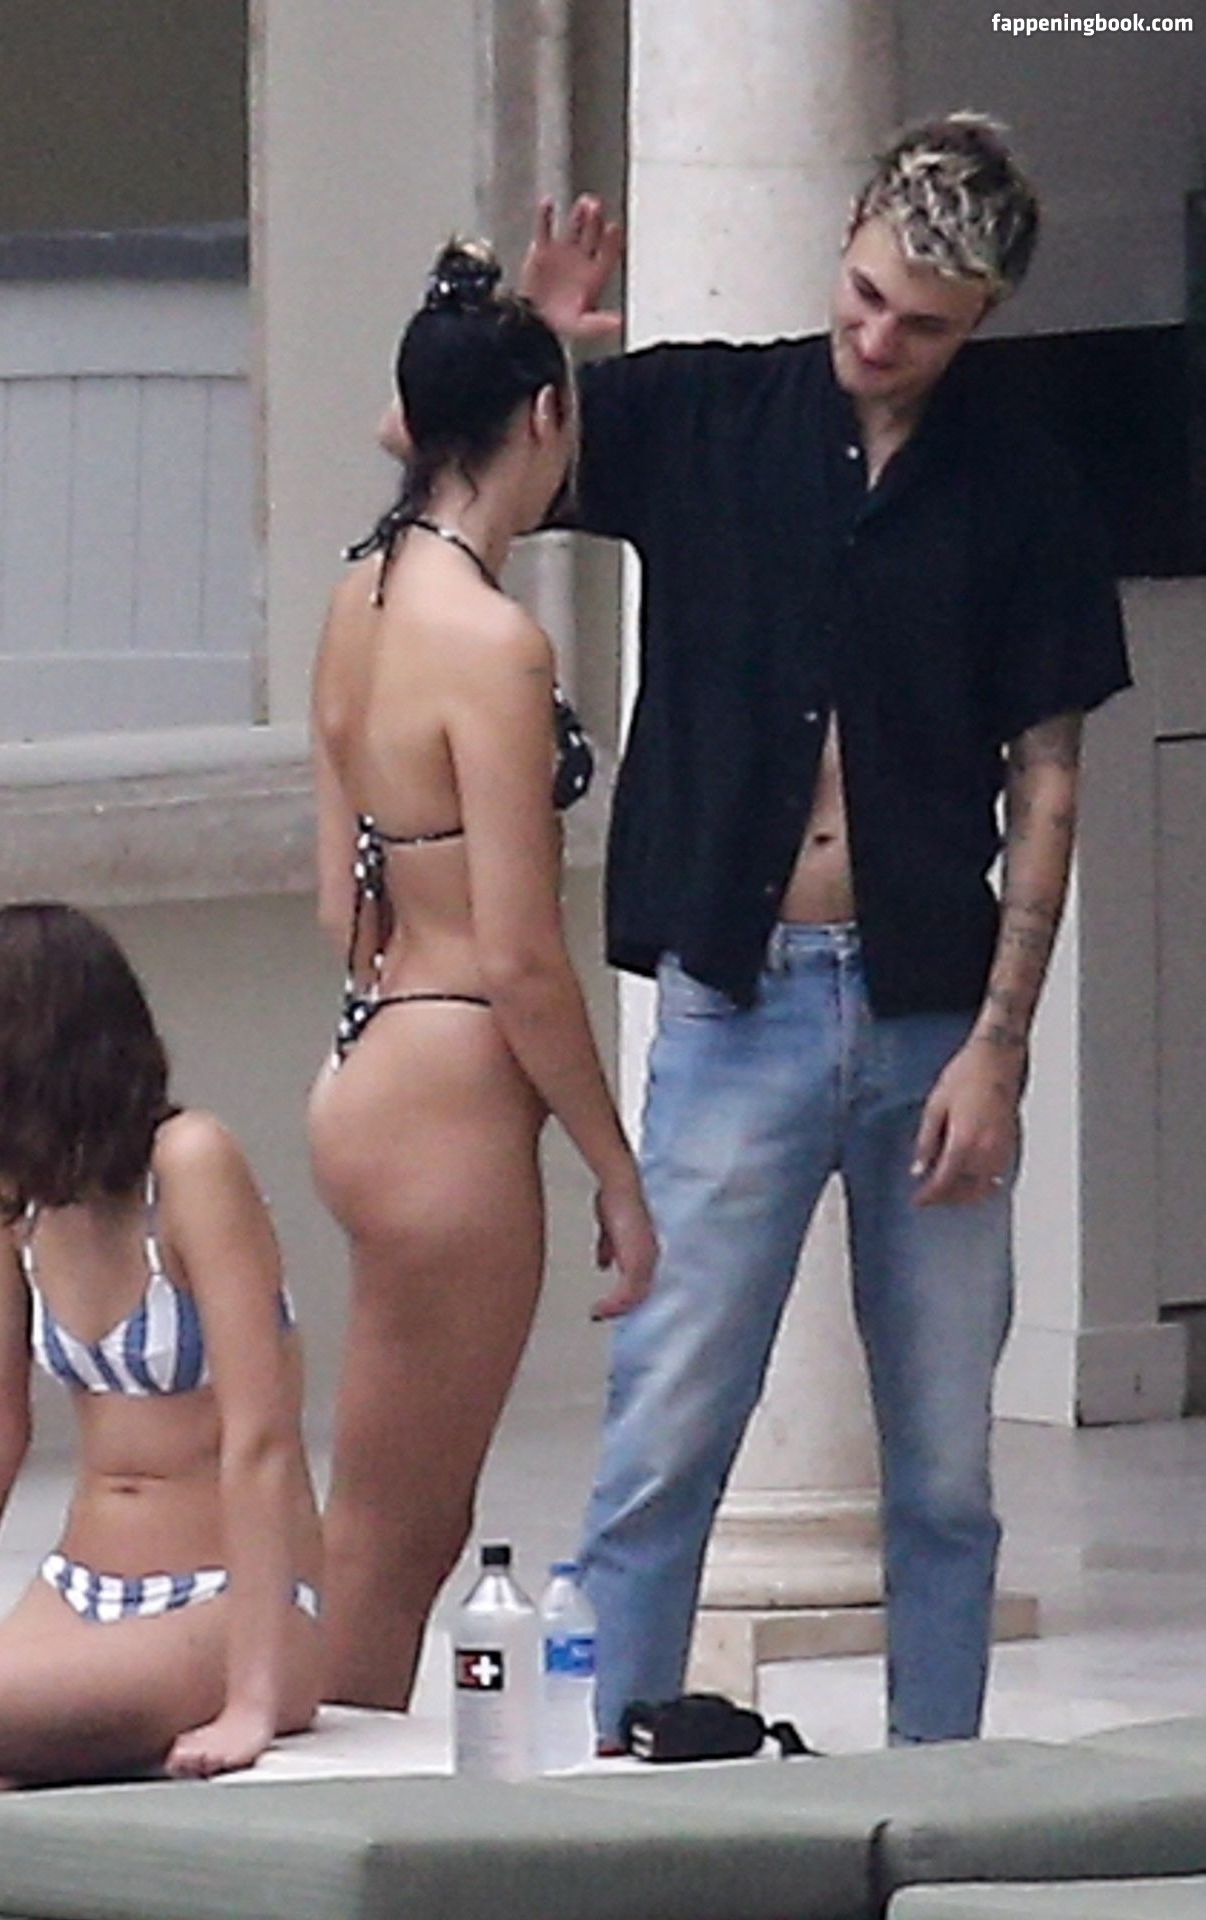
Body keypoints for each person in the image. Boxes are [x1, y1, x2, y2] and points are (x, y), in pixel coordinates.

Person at [516, 115, 1132, 1746]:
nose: (875, 338)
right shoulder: (713, 412)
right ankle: (624, 1775)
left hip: (930, 1002)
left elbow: (1050, 774)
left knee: (942, 1464)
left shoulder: (1018, 478)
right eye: (863, 296)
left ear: (979, 319)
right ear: (845, 237)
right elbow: (437, 456)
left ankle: (937, 1793)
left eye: (920, 323)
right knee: (666, 1429)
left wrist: (1000, 1047)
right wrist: (529, 350)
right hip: (740, 997)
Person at [308, 240, 657, 1710]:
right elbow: (522, 956)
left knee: (402, 1515)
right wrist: (616, 1170)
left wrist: (519, 327)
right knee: (392, 1535)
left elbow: (339, 894)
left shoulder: (363, 595)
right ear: (545, 418)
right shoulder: (499, 647)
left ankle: (323, 1765)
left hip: (372, 1053)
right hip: (455, 1089)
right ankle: (311, 1792)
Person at [0, 902, 323, 1849]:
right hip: (79, 1594)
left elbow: (263, 1435)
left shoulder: (190, 1162)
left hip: (225, 1602)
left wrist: (252, 1700)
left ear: (17, 1045)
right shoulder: (17, 1187)